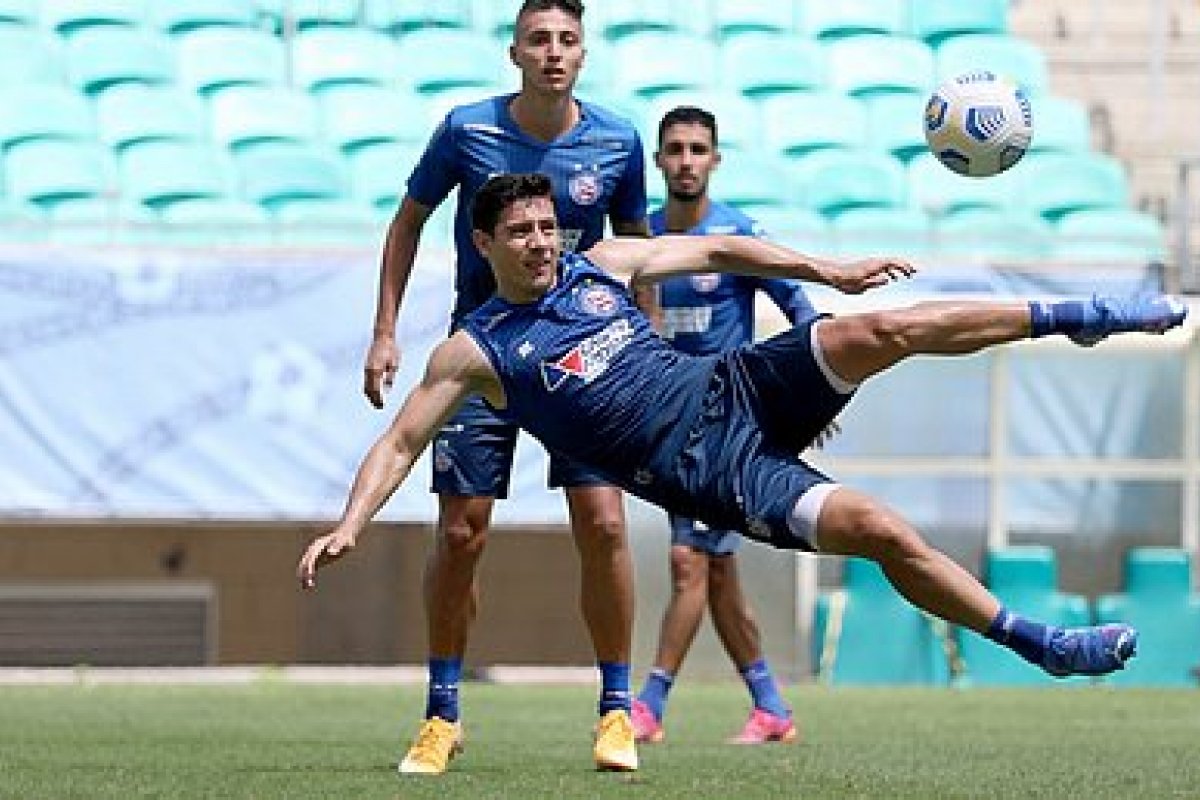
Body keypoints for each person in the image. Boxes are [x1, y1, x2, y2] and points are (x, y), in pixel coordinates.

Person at [303, 173, 1181, 760]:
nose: (541, 241)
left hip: (736, 384)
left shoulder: (601, 263)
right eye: (521, 232)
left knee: (879, 329)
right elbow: (400, 441)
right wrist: (352, 522)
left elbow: (720, 251)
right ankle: (1043, 646)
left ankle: (1080, 312)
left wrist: (824, 268)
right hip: (712, 472)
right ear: (485, 242)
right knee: (879, 530)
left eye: (546, 226)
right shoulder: (477, 350)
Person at [361, 0, 649, 776]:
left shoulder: (619, 140)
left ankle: (617, 712)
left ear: (583, 54)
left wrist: (647, 355)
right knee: (460, 535)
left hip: (585, 357)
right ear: (515, 52)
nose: (554, 51)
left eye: (567, 40)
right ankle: (441, 713)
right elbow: (407, 221)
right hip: (484, 356)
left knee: (605, 525)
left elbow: (640, 252)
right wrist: (386, 331)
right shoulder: (465, 130)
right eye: (539, 40)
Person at [631, 106, 815, 746]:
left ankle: (648, 707)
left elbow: (801, 310)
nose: (686, 160)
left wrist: (806, 398)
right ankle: (771, 708)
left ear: (715, 159)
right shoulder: (642, 236)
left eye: (697, 149)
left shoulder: (738, 235)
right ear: (658, 161)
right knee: (716, 570)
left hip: (721, 423)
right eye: (675, 149)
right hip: (661, 423)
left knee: (689, 562)